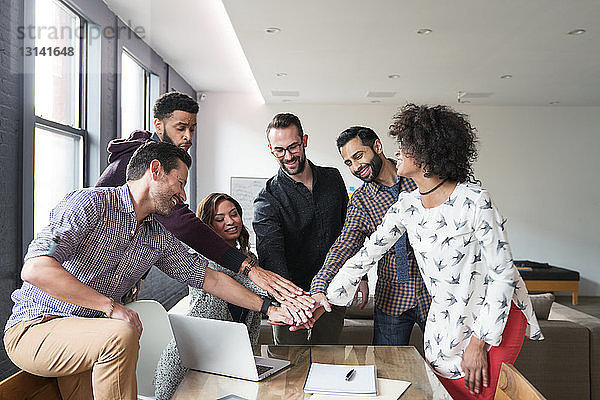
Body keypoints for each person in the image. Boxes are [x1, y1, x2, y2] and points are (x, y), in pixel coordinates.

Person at [3, 142, 293, 400]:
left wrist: (268, 308)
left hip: (90, 338)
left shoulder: (156, 235)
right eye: (179, 183)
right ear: (155, 170)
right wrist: (111, 307)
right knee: (121, 332)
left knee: (116, 333)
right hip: (35, 328)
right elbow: (36, 268)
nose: (183, 196)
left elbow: (211, 277)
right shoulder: (89, 204)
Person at [312, 104, 543, 399]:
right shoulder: (407, 206)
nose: (398, 152)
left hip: (491, 321)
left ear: (427, 154)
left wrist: (479, 342)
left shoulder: (473, 200)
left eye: (404, 146)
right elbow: (365, 253)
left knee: (481, 393)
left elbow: (503, 275)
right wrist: (325, 296)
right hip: (445, 322)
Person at [96, 91, 313, 315]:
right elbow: (184, 225)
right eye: (180, 128)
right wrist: (248, 268)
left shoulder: (157, 233)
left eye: (192, 129)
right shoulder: (108, 188)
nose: (188, 136)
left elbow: (206, 275)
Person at [310, 126, 430, 345]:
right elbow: (344, 245)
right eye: (349, 163)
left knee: (448, 366)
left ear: (377, 146)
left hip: (433, 291)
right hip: (392, 296)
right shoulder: (361, 201)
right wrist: (320, 285)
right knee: (387, 370)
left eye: (358, 156)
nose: (356, 167)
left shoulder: (419, 177)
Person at [153, 193, 264, 400]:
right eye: (220, 219)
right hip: (188, 360)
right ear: (208, 228)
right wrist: (285, 296)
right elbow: (245, 283)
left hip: (226, 362)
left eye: (234, 214)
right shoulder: (202, 261)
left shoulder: (251, 261)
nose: (230, 222)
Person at [253, 113, 349, 345]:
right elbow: (271, 256)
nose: (288, 156)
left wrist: (361, 277)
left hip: (331, 293)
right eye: (279, 150)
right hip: (290, 301)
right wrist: (295, 303)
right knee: (290, 369)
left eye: (293, 147)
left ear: (304, 140)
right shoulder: (267, 199)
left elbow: (349, 231)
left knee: (329, 360)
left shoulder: (332, 178)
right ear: (270, 149)